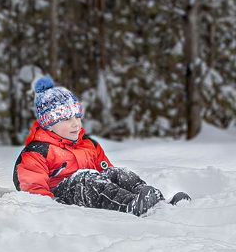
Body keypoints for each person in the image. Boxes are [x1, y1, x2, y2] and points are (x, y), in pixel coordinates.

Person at [13, 76, 189, 216]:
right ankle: (130, 206)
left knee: (117, 173)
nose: (76, 124)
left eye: (77, 117)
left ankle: (157, 203)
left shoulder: (89, 145)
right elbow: (33, 192)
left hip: (92, 189)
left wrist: (115, 178)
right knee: (86, 178)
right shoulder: (37, 152)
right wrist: (53, 209)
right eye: (67, 119)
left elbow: (108, 175)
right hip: (64, 199)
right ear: (48, 124)